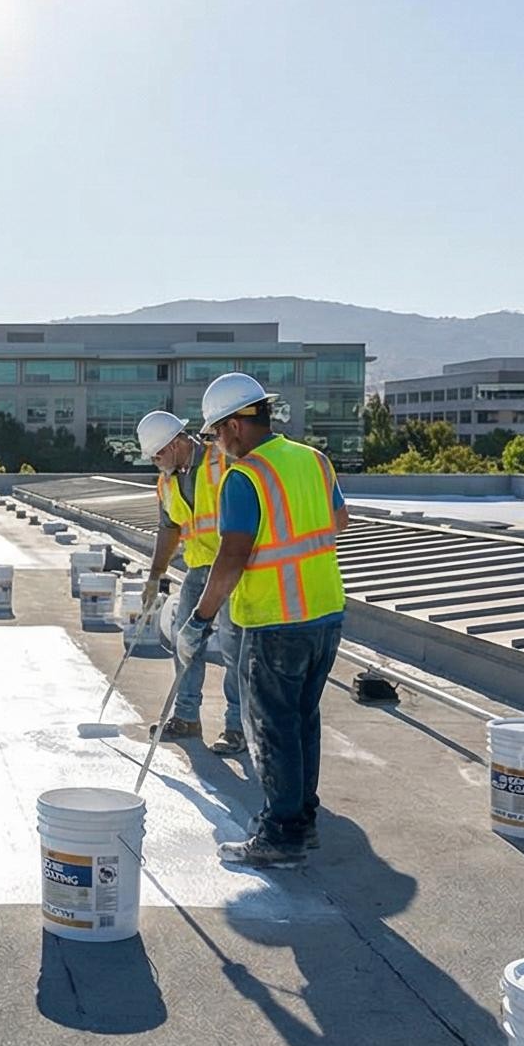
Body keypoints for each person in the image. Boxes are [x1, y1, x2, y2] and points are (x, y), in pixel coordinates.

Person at [185, 371, 347, 869]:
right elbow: (339, 521)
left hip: (276, 619)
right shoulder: (313, 460)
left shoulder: (246, 476)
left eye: (215, 433)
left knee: (273, 728)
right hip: (325, 611)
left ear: (235, 425)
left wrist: (200, 619)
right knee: (303, 721)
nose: (215, 444)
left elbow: (231, 557)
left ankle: (281, 836)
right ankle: (304, 819)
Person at [133, 410, 244, 754]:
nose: (155, 462)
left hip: (233, 567)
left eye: (159, 454)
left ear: (178, 442)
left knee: (233, 648)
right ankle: (186, 718)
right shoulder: (166, 482)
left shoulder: (222, 461)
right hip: (198, 570)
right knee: (184, 639)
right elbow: (169, 529)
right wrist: (155, 576)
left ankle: (237, 727)